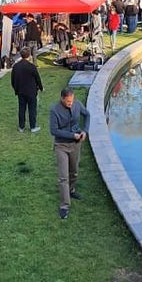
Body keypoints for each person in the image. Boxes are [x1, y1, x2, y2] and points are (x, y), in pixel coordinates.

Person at [48, 87, 90, 220]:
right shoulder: (54, 110)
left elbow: (87, 114)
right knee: (63, 176)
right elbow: (54, 131)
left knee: (74, 171)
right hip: (61, 145)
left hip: (75, 145)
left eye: (71, 101)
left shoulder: (77, 104)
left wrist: (85, 131)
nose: (70, 104)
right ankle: (64, 205)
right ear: (62, 99)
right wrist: (72, 135)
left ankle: (71, 190)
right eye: (68, 102)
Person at [11, 47, 42, 133]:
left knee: (21, 108)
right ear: (29, 55)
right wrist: (40, 87)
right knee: (32, 109)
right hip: (31, 91)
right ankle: (33, 126)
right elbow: (37, 78)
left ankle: (21, 127)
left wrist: (16, 89)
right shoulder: (31, 66)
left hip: (21, 91)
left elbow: (13, 80)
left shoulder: (16, 66)